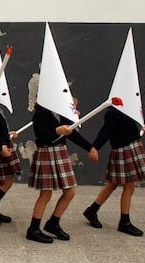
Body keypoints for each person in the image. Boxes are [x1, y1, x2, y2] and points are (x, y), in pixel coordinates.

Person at [26, 103, 98, 243]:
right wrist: (57, 131)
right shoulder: (40, 112)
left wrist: (90, 147)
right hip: (46, 152)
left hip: (60, 152)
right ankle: (33, 229)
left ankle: (53, 222)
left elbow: (72, 133)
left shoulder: (59, 111)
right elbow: (41, 135)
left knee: (70, 191)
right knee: (46, 193)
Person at [83, 107, 145, 236]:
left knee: (113, 183)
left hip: (131, 146)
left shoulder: (128, 106)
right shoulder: (114, 111)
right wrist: (95, 147)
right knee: (129, 186)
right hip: (123, 150)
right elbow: (106, 131)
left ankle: (92, 210)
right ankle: (125, 222)